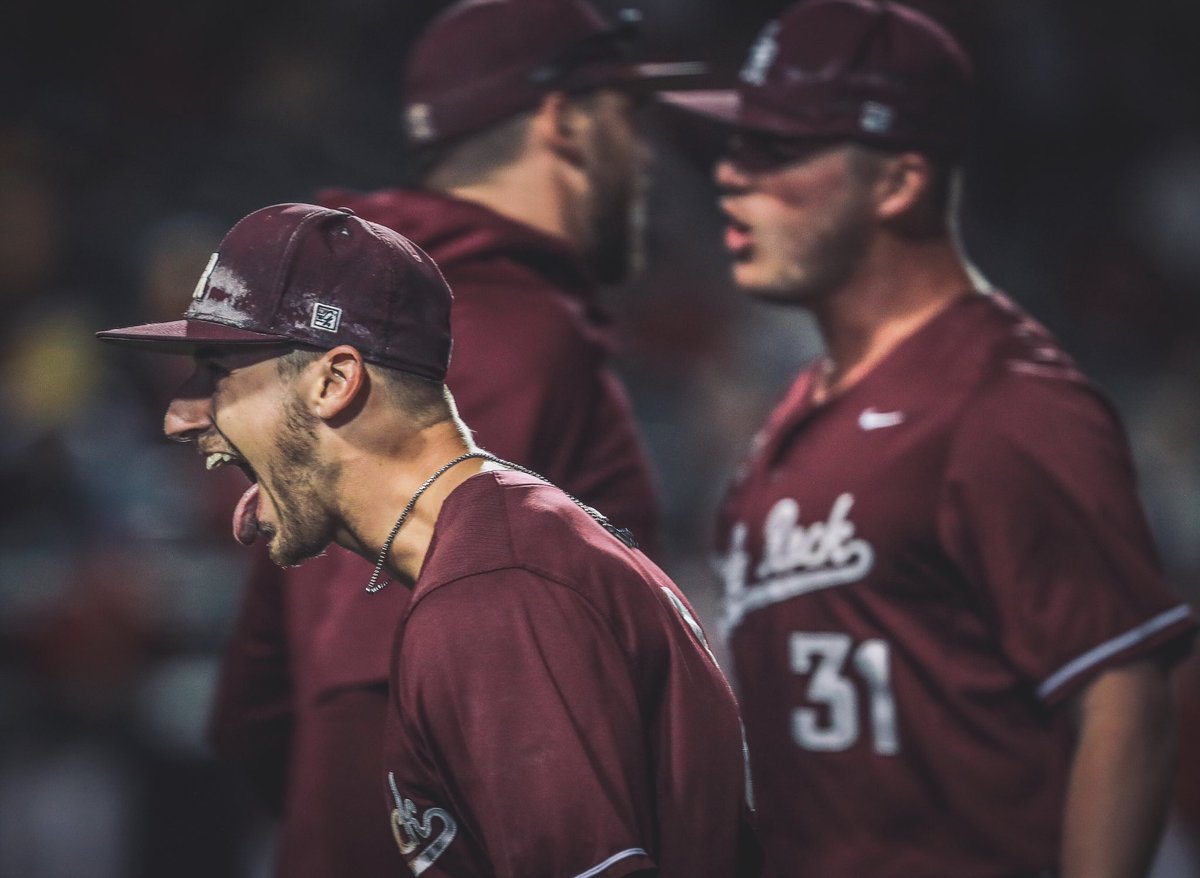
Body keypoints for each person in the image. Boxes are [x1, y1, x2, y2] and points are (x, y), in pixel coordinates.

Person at [661, 1, 1199, 876]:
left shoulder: (1002, 401)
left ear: (901, 181)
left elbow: (1123, 701)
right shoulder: (789, 423)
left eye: (781, 151)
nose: (733, 177)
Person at [97, 202, 760, 877]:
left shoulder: (494, 595)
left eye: (219, 376)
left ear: (334, 381)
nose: (182, 417)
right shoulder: (506, 542)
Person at [202, 1, 704, 873]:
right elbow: (381, 686)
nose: (646, 152)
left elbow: (257, 707)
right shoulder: (495, 335)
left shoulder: (347, 329)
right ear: (566, 122)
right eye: (627, 113)